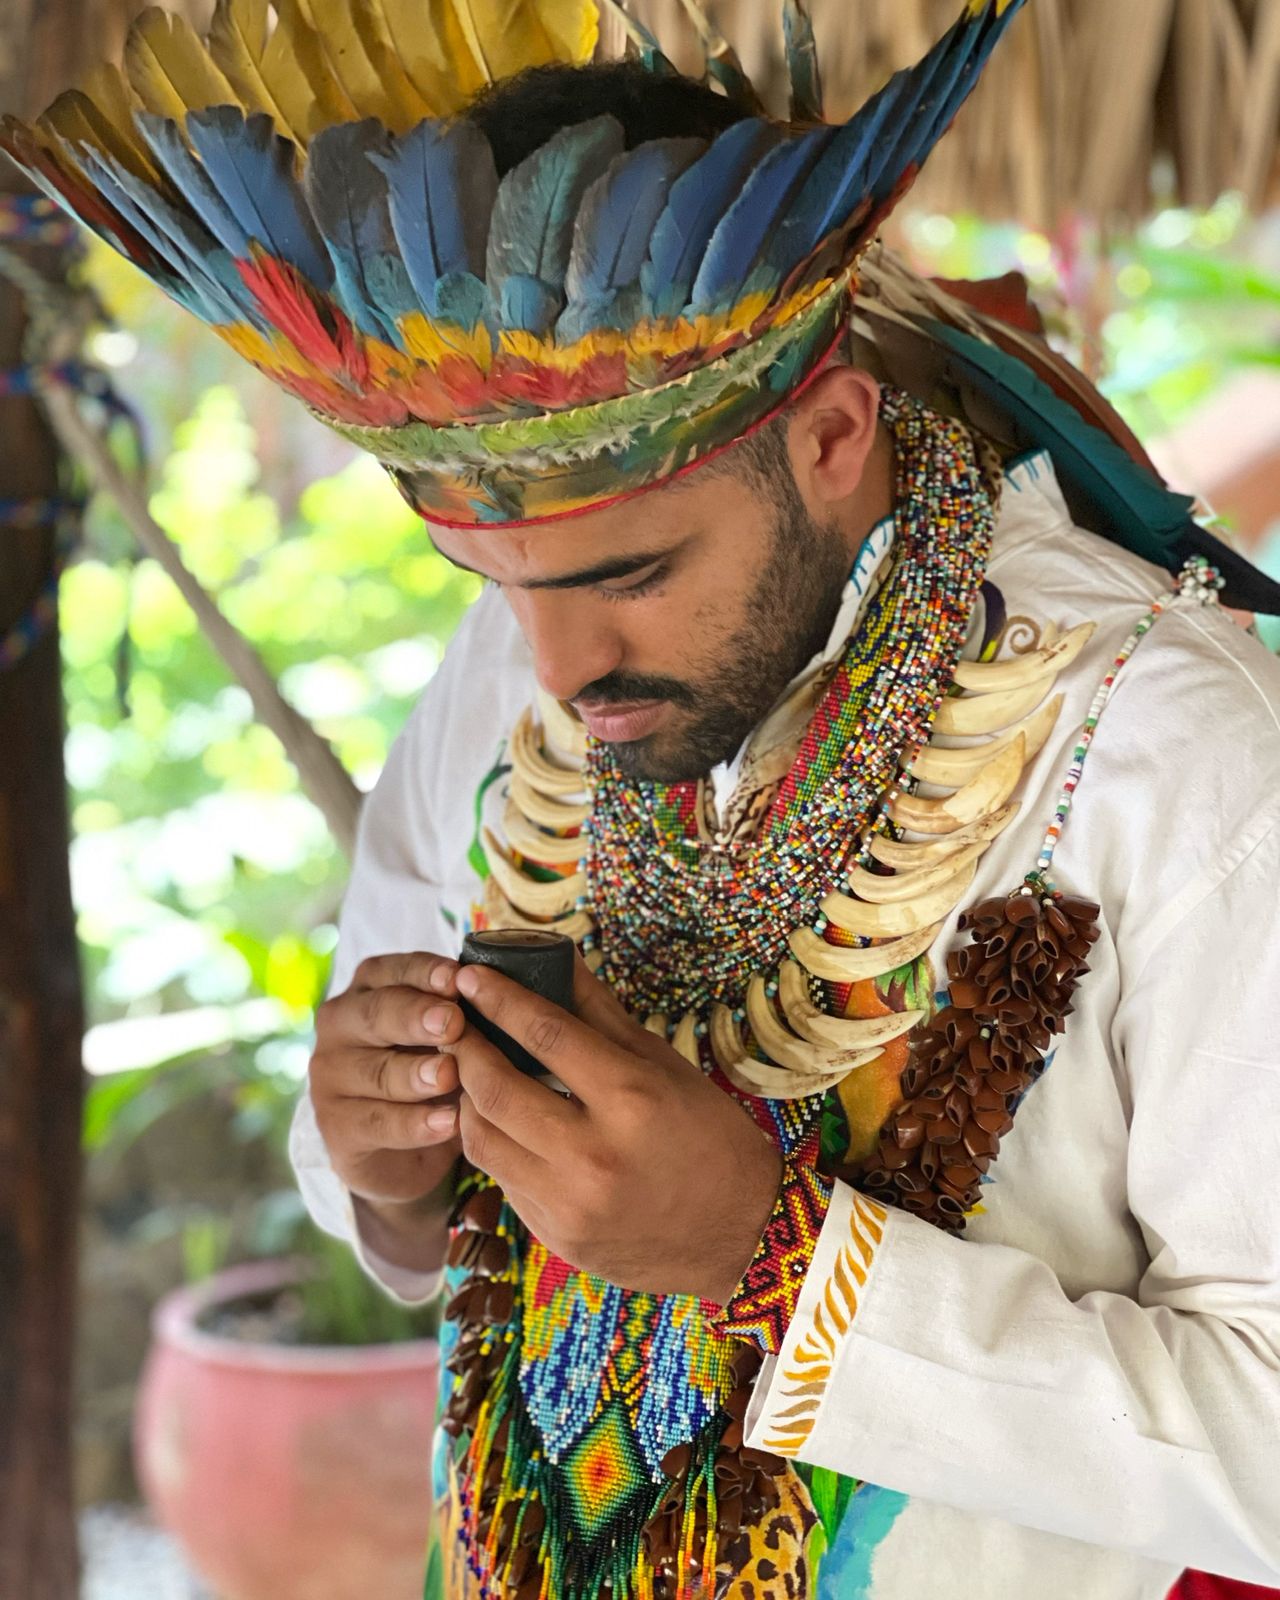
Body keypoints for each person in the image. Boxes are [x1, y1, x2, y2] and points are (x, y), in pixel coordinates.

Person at [12, 2, 1280, 1597]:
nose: (556, 666)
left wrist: (785, 1268)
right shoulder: (513, 674)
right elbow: (403, 1222)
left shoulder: (1179, 754)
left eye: (634, 572)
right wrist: (389, 1173)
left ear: (830, 435)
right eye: (487, 576)